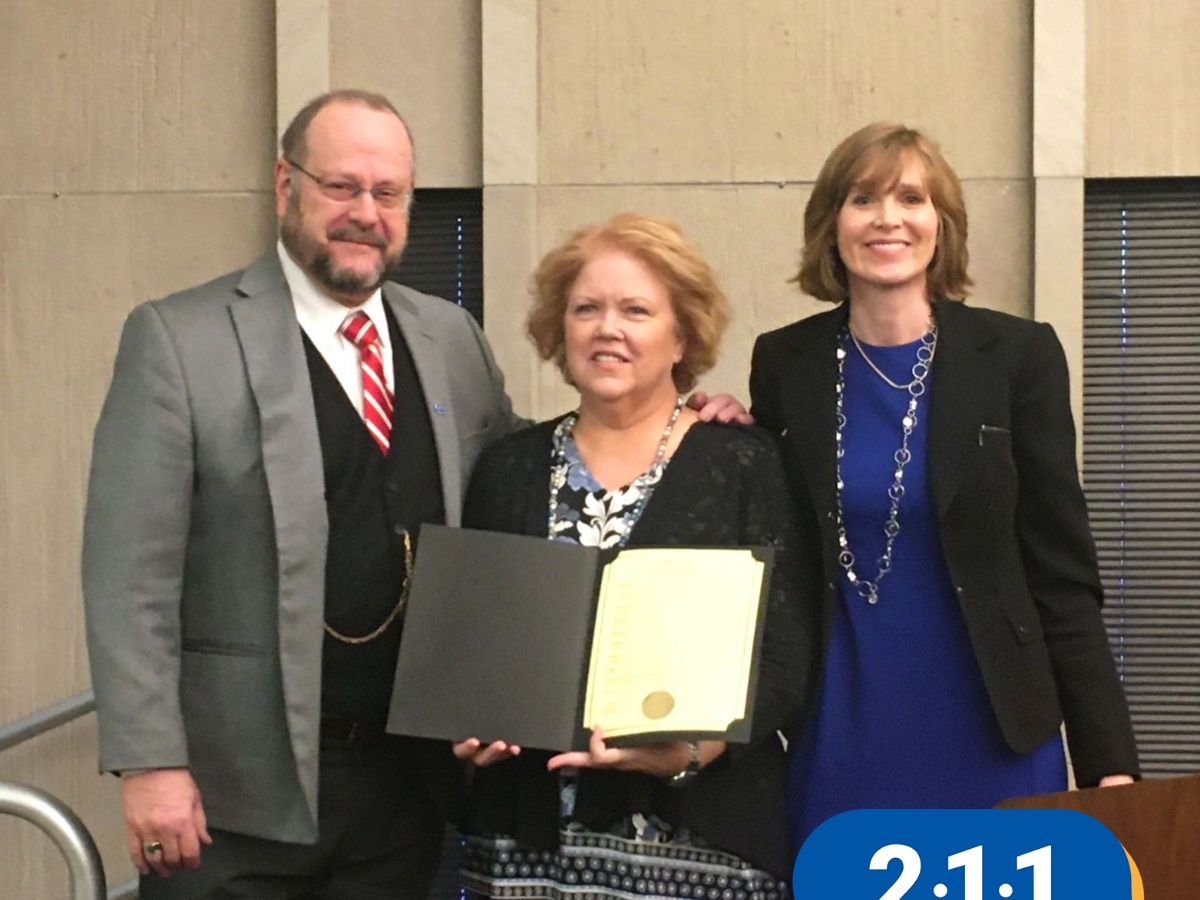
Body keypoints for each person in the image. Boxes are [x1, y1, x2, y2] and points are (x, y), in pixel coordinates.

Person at [82, 90, 749, 899]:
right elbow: (129, 577)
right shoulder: (178, 340)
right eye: (342, 186)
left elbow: (539, 469)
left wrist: (685, 411)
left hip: (409, 791)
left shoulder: (449, 337)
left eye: (388, 193)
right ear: (285, 185)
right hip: (235, 797)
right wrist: (151, 763)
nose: (366, 212)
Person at [748, 123, 1140, 850]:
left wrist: (1110, 761)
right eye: (863, 198)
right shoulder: (785, 364)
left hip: (994, 730)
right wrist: (714, 426)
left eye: (911, 197)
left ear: (942, 224)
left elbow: (1063, 575)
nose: (888, 218)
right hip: (842, 726)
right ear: (832, 225)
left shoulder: (1017, 356)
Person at [451, 213, 820, 897]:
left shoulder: (748, 463)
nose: (607, 328)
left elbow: (786, 657)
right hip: (525, 845)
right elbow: (474, 641)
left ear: (682, 334)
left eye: (636, 310)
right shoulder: (507, 468)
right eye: (586, 308)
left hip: (702, 840)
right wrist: (471, 728)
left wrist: (684, 755)